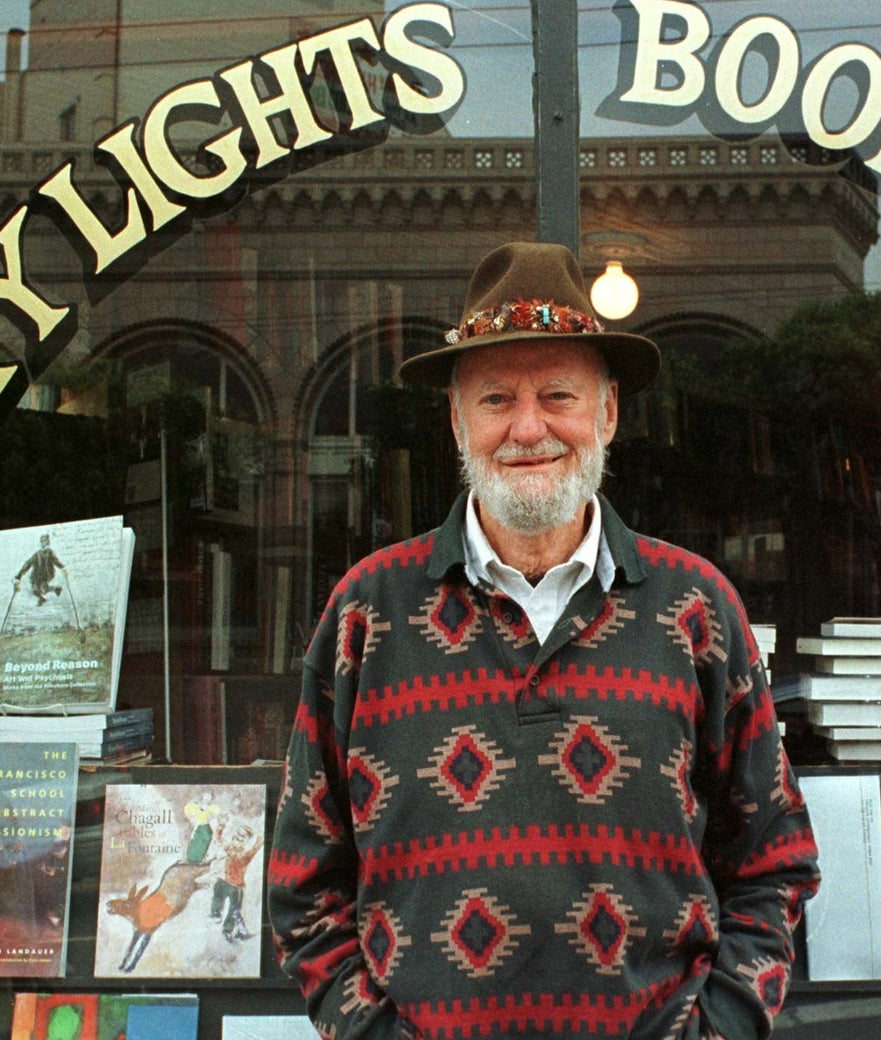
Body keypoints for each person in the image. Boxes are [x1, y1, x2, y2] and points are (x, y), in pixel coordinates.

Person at [267, 242, 819, 1040]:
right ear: (458, 421)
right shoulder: (367, 613)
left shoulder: (697, 609)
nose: (528, 428)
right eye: (496, 399)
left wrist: (719, 1031)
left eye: (558, 393)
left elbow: (775, 860)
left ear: (609, 412)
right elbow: (302, 883)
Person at [15, 533, 66, 606]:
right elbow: (28, 564)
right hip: (39, 576)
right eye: (44, 541)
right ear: (41, 542)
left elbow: (56, 561)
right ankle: (54, 590)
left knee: (36, 589)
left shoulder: (48, 552)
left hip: (42, 576)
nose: (45, 542)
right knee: (43, 589)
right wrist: (19, 575)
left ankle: (42, 598)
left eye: (46, 540)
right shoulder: (39, 554)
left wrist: (63, 568)